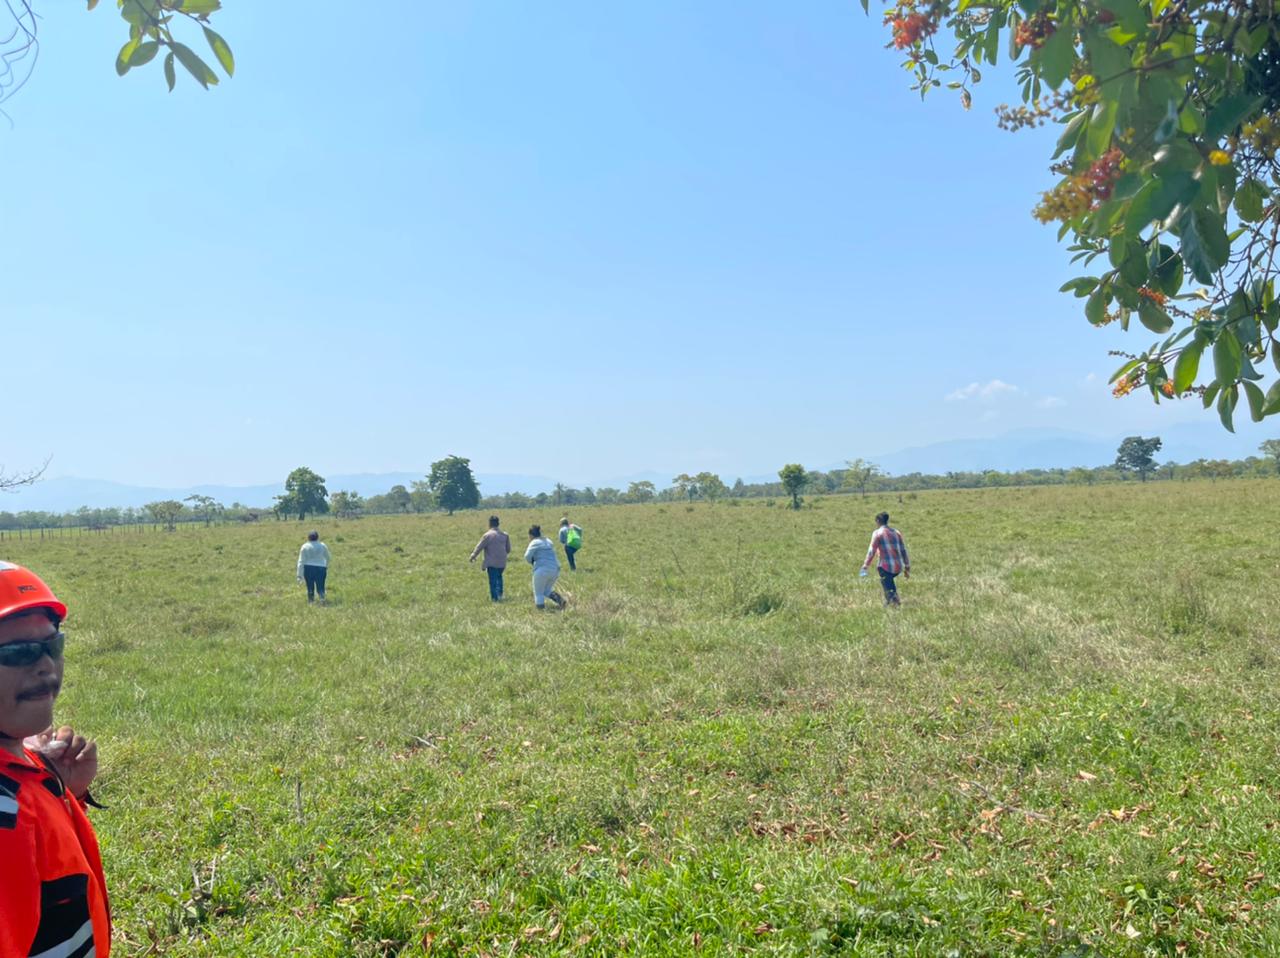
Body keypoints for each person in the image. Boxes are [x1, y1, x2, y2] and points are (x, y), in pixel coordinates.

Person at [0, 560, 112, 958]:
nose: (45, 665)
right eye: (19, 653)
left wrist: (60, 790)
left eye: (52, 646)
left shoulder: (23, 770)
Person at [861, 511, 910, 607]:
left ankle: (894, 602)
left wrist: (865, 565)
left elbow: (872, 551)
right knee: (888, 581)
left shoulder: (877, 533)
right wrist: (907, 566)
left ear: (878, 521)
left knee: (886, 582)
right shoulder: (896, 532)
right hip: (898, 566)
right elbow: (903, 550)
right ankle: (889, 602)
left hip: (886, 566)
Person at [469, 515, 512, 602]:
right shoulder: (505, 535)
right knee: (499, 577)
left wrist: (473, 555)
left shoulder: (487, 535)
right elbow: (508, 549)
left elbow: (479, 547)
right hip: (502, 562)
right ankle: (500, 594)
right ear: (498, 524)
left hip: (491, 562)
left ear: (489, 524)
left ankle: (495, 598)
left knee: (493, 580)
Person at [524, 525, 566, 610]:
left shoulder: (534, 542)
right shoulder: (548, 541)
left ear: (531, 535)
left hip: (542, 570)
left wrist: (532, 561)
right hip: (555, 569)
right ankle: (561, 601)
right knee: (547, 590)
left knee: (538, 593)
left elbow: (527, 556)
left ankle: (541, 611)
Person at [297, 530, 331, 605]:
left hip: (308, 568)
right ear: (317, 537)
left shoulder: (305, 546)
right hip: (321, 568)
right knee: (321, 585)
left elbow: (301, 561)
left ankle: (311, 602)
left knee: (310, 586)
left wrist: (299, 575)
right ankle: (322, 599)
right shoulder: (322, 545)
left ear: (308, 538)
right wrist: (326, 565)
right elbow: (328, 557)